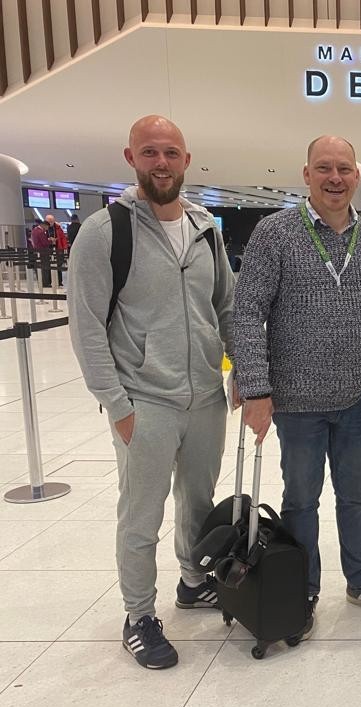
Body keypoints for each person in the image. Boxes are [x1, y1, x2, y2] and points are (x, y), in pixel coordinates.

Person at [68, 115, 235, 670]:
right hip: (146, 400)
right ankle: (138, 615)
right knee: (141, 514)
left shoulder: (206, 227)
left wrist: (241, 373)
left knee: (199, 501)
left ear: (187, 161)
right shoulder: (104, 231)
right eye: (149, 153)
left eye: (170, 153)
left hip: (207, 396)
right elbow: (87, 325)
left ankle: (192, 581)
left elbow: (225, 306)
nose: (160, 163)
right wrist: (118, 405)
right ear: (131, 157)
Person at [233, 135, 361, 633]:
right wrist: (258, 389)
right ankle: (302, 587)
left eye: (344, 169)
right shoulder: (275, 232)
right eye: (324, 168)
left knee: (357, 495)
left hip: (358, 399)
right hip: (296, 400)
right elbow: (247, 313)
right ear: (306, 174)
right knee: (300, 500)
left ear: (357, 176)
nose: (335, 178)